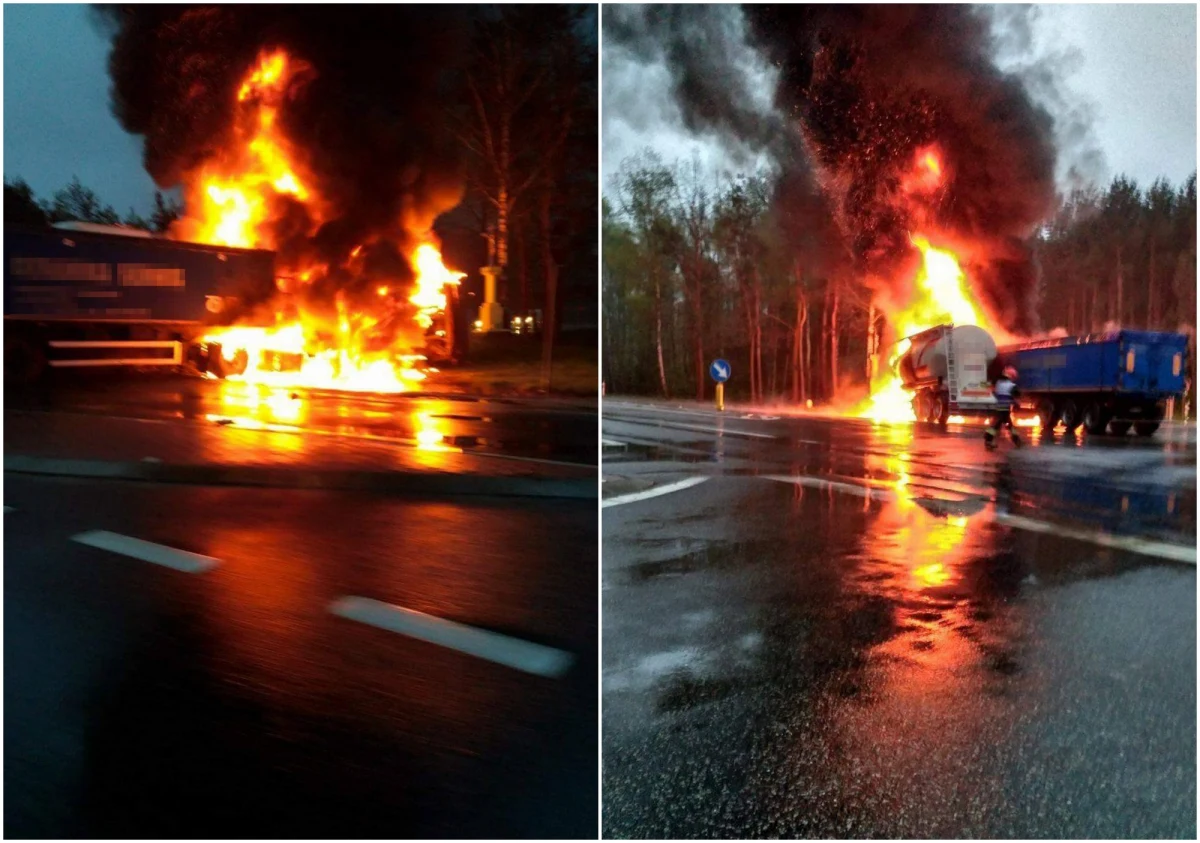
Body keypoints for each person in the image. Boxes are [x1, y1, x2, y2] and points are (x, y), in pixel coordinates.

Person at [985, 366, 1022, 450]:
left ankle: (988, 441)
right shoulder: (1012, 386)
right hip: (1005, 409)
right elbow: (1017, 397)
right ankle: (1017, 441)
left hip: (998, 408)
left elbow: (988, 386)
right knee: (1008, 426)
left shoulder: (998, 383)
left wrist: (994, 393)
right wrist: (1017, 404)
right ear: (1011, 376)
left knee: (995, 426)